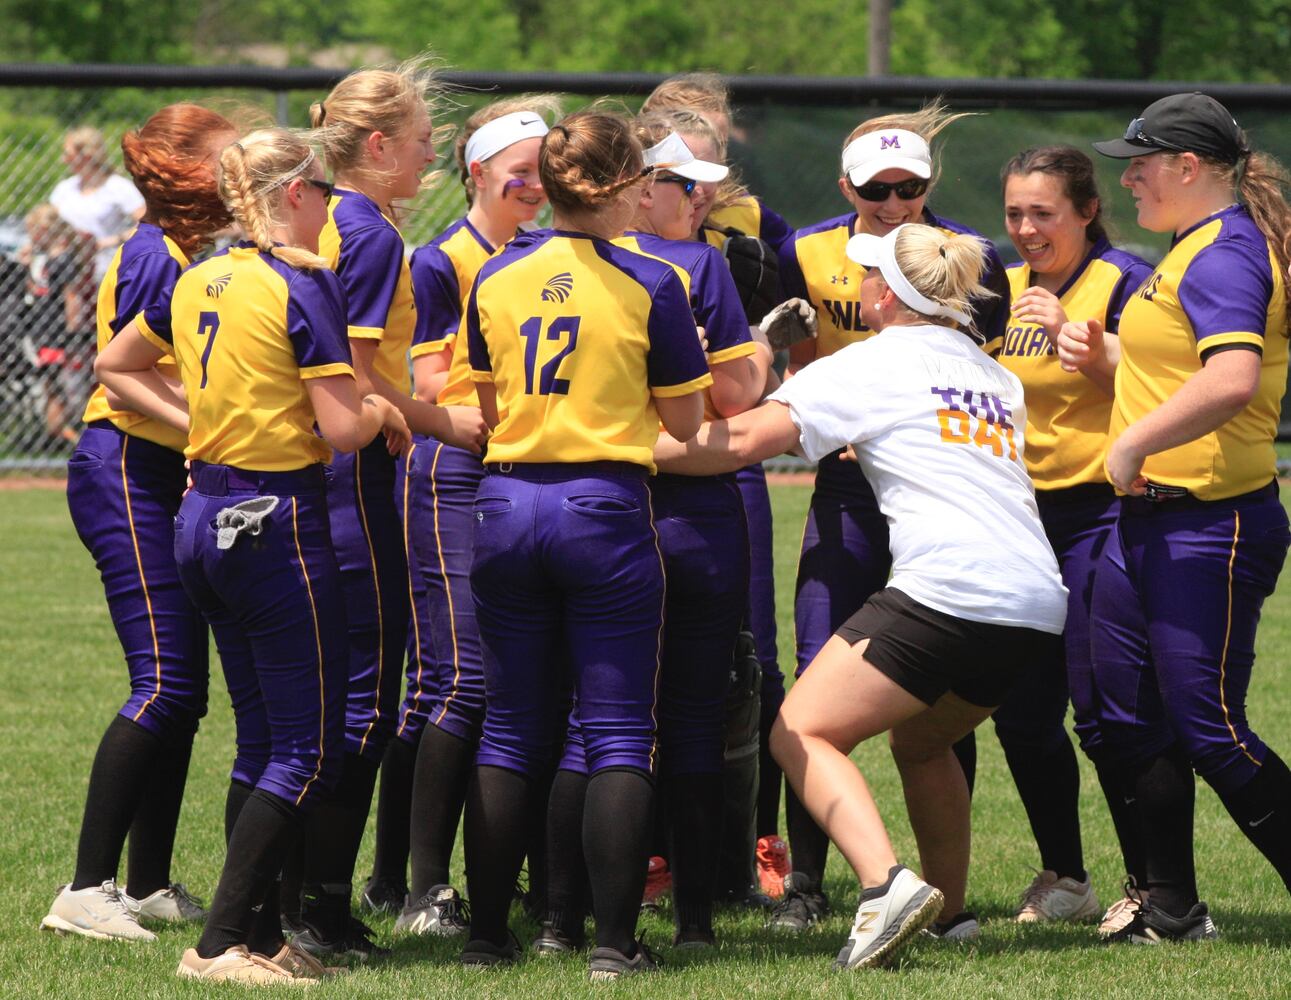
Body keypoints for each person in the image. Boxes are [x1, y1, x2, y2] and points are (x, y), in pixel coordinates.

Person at [656, 222, 1067, 969]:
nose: (860, 285)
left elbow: (743, 441)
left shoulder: (874, 362)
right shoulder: (988, 371)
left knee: (799, 732)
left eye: (870, 274)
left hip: (949, 588)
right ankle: (946, 910)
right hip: (1034, 602)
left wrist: (607, 443)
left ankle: (884, 886)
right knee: (924, 738)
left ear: (889, 295)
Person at [93, 125, 411, 986]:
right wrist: (386, 414)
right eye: (324, 196)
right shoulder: (294, 281)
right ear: (299, 193)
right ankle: (219, 943)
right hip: (280, 523)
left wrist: (201, 424)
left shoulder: (200, 275)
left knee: (264, 739)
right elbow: (344, 428)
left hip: (202, 515)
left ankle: (261, 933)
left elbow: (116, 363)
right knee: (307, 749)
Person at [457, 108, 712, 980]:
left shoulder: (495, 275)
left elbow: (489, 410)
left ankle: (489, 936)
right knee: (613, 732)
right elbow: (684, 420)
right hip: (600, 503)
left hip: (502, 501)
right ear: (619, 186)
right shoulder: (653, 281)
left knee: (509, 731)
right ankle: (611, 945)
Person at [530, 118, 770, 952]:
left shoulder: (520, 264)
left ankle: (562, 919)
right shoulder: (692, 265)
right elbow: (734, 394)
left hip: (580, 503)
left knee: (586, 722)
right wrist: (759, 354)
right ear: (634, 182)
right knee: (693, 718)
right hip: (683, 508)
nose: (683, 193)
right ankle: (697, 920)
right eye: (667, 178)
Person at [770, 102, 1010, 931]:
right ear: (847, 187)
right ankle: (805, 887)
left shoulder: (966, 260)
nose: (895, 202)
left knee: (936, 702)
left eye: (910, 186)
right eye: (877, 188)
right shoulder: (804, 249)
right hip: (847, 489)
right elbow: (798, 357)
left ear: (930, 186)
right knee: (813, 677)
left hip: (931, 495)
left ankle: (946, 897)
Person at [1058, 92, 1291, 943]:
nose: (1130, 181)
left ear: (1188, 168)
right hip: (1148, 524)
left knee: (1211, 727)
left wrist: (1130, 445)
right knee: (1125, 716)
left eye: (1140, 164)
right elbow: (1185, 362)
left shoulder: (1224, 253)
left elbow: (1230, 379)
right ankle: (1169, 907)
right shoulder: (1188, 247)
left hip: (1208, 525)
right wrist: (1109, 355)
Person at [290, 62, 488, 960]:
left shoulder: (324, 217)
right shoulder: (367, 232)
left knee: (323, 698)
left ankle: (302, 895)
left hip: (311, 474)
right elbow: (357, 376)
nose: (425, 159)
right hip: (351, 482)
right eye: (415, 143)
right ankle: (322, 904)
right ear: (375, 147)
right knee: (366, 701)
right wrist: (440, 418)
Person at [39, 104, 238, 945]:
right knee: (165, 682)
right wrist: (209, 424)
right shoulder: (159, 258)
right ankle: (85, 889)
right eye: (227, 162)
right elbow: (120, 380)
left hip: (151, 470)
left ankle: (149, 883)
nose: (241, 175)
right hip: (122, 468)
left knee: (183, 692)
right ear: (187, 170)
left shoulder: (184, 253)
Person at [378, 95, 558, 936]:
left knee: (501, 684)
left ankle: (426, 876)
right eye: (518, 174)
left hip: (515, 475)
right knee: (457, 682)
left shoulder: (542, 253)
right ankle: (420, 889)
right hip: (452, 471)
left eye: (544, 174)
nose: (534, 188)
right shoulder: (441, 259)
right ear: (476, 171)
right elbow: (430, 387)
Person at [990, 146, 1154, 933]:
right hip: (1018, 520)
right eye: (1015, 213)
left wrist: (1079, 345)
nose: (1025, 229)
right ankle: (1065, 876)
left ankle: (1152, 886)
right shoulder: (1000, 288)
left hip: (1099, 511)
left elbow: (1163, 392)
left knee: (1105, 710)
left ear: (1085, 212)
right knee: (1020, 713)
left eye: (1042, 213)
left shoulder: (1122, 280)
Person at [640, 76, 792, 903]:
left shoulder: (751, 232)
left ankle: (751, 846)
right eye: (691, 168)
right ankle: (661, 857)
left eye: (719, 159)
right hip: (652, 475)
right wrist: (754, 352)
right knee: (649, 673)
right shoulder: (652, 253)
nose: (711, 186)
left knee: (748, 665)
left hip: (718, 465)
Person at [50, 125, 146, 283]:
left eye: (68, 154)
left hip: (104, 269)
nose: (63, 159)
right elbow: (49, 222)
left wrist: (110, 241)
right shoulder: (65, 188)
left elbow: (147, 224)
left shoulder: (117, 187)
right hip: (65, 268)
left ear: (86, 155)